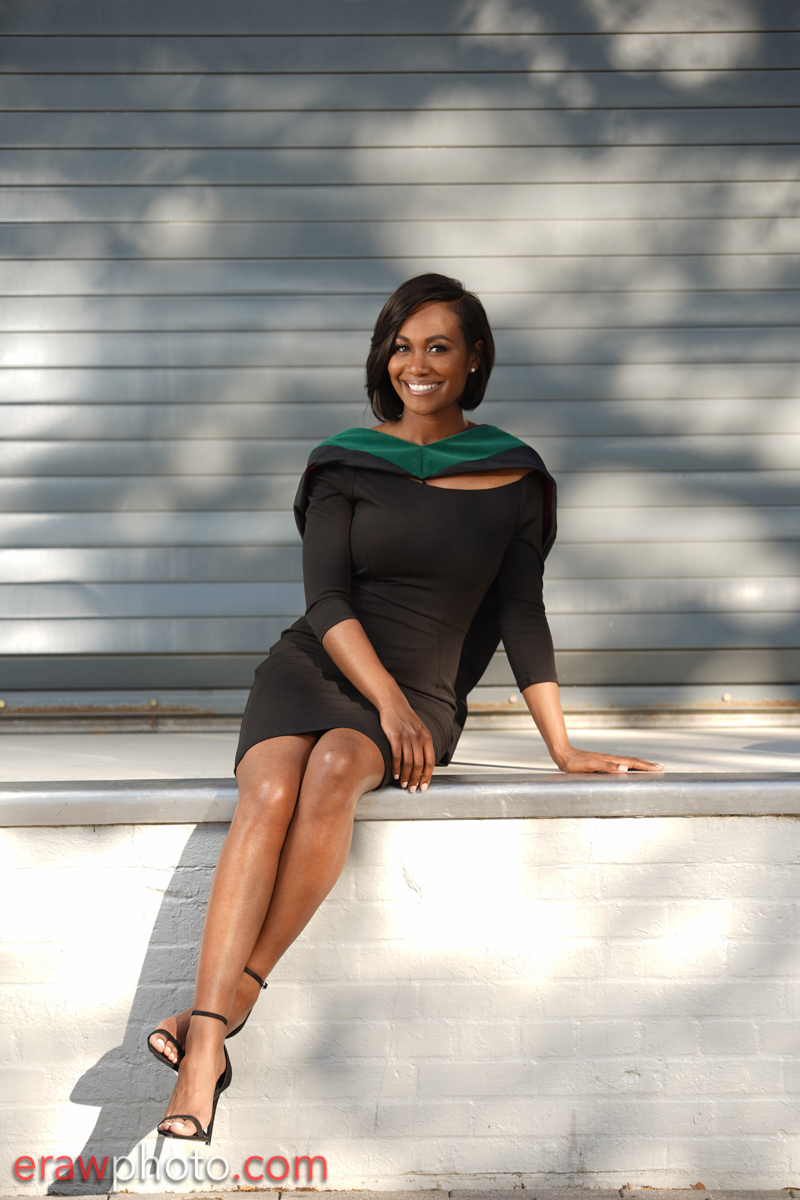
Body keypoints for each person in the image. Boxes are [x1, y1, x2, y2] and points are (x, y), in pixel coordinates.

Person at [149, 273, 663, 1143]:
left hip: (422, 693)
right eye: (400, 346)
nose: (415, 364)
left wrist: (563, 747)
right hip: (318, 667)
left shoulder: (514, 474)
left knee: (333, 769)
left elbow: (521, 614)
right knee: (268, 789)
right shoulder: (345, 460)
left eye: (437, 347)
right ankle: (207, 1047)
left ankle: (228, 1003)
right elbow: (326, 599)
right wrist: (384, 702)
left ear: (475, 360)